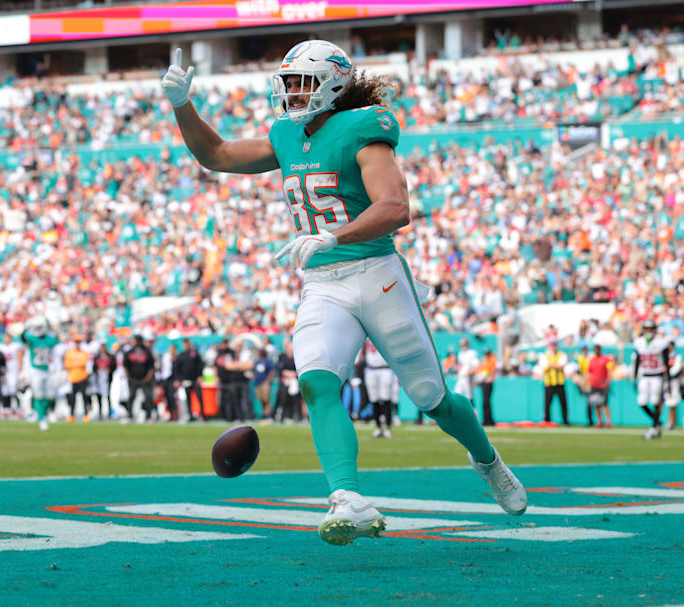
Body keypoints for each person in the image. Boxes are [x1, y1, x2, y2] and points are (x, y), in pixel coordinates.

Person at [162, 41, 526, 545]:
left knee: (432, 399)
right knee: (316, 382)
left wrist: (336, 235)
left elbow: (396, 206)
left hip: (376, 273)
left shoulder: (363, 127)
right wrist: (183, 106)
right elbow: (217, 154)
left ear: (333, 84)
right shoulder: (286, 134)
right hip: (323, 284)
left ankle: (488, 462)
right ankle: (347, 497)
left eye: (302, 82)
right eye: (288, 83)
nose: (293, 93)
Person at [633, 319, 670, 439]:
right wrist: (634, 377)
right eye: (646, 329)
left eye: (650, 329)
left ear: (654, 330)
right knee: (642, 402)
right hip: (645, 375)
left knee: (655, 402)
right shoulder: (639, 342)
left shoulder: (661, 342)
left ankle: (654, 427)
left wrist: (667, 379)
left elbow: (666, 362)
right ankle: (657, 422)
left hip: (657, 375)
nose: (648, 331)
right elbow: (638, 360)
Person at [22, 320, 58, 431]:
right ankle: (42, 419)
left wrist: (50, 325)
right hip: (36, 370)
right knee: (39, 395)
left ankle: (41, 412)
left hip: (48, 370)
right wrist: (25, 327)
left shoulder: (50, 339)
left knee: (51, 396)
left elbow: (58, 339)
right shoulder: (32, 338)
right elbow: (23, 337)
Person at [362, 340, 397, 439]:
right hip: (370, 369)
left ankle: (388, 427)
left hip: (385, 368)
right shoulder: (366, 332)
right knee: (374, 399)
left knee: (386, 398)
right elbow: (364, 348)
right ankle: (378, 427)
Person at [123, 333, 157, 422]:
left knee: (148, 397)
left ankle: (148, 417)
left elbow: (151, 367)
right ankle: (129, 415)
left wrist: (148, 378)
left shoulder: (147, 352)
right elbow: (126, 365)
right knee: (131, 397)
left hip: (145, 379)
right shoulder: (130, 351)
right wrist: (128, 377)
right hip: (133, 378)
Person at [538, 340, 569, 425]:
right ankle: (547, 420)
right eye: (552, 345)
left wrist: (551, 365)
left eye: (555, 345)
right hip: (549, 383)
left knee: (563, 403)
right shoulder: (545, 355)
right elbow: (544, 366)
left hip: (560, 383)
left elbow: (562, 365)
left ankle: (565, 421)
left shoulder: (561, 354)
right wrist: (556, 365)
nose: (554, 347)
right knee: (547, 403)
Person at [174, 338, 203, 421]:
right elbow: (177, 369)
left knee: (199, 397)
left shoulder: (194, 354)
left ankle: (202, 414)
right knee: (188, 398)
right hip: (185, 380)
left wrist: (200, 376)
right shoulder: (181, 355)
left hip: (195, 379)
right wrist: (178, 379)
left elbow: (200, 365)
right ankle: (190, 415)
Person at [587, 344, 614, 428]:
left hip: (603, 385)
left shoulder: (605, 359)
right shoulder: (592, 360)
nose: (597, 351)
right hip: (594, 385)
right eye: (596, 349)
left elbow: (609, 370)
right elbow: (589, 373)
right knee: (597, 404)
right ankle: (600, 422)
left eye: (598, 349)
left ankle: (609, 422)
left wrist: (608, 381)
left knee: (605, 404)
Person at [274, 340, 301, 422]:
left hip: (295, 382)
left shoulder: (297, 357)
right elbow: (279, 369)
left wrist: (293, 374)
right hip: (284, 381)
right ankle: (281, 416)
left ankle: (295, 417)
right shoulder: (282, 357)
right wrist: (287, 374)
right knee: (282, 399)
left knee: (296, 400)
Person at [64, 337, 90, 421]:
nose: (77, 344)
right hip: (73, 377)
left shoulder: (84, 353)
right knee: (72, 397)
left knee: (84, 397)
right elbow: (67, 364)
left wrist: (75, 363)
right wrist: (77, 363)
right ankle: (71, 414)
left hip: (82, 377)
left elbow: (84, 363)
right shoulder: (70, 353)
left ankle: (86, 414)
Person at [252, 347, 275, 420]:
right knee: (261, 400)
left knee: (266, 399)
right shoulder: (257, 362)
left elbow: (272, 371)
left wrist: (268, 380)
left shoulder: (267, 361)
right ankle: (263, 415)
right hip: (257, 383)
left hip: (264, 383)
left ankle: (268, 415)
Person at [476, 348, 497, 426]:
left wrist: (486, 377)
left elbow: (491, 371)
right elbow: (480, 370)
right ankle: (486, 420)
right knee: (485, 402)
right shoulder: (484, 360)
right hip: (484, 382)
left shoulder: (492, 360)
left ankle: (489, 420)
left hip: (488, 382)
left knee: (486, 401)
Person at [454, 338, 478, 403]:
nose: (462, 346)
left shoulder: (472, 353)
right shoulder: (460, 354)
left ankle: (473, 412)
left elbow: (476, 366)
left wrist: (469, 373)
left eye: (464, 344)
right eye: (461, 345)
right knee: (456, 395)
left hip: (467, 378)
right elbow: (460, 365)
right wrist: (456, 367)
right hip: (460, 377)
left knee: (469, 397)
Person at [667, 342, 681, 431]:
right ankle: (658, 422)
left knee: (673, 402)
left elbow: (677, 367)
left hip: (673, 381)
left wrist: (668, 374)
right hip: (665, 381)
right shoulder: (663, 355)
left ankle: (672, 422)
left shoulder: (677, 356)